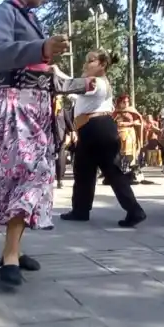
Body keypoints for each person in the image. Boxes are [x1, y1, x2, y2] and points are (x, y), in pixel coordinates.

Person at [0, 0, 70, 288]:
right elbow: (0, 53)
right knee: (31, 173)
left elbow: (45, 73)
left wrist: (82, 84)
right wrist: (43, 47)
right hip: (16, 105)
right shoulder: (3, 12)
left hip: (36, 106)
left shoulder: (29, 18)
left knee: (30, 175)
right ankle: (9, 256)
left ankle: (15, 251)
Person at [60, 50, 147, 228]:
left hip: (96, 128)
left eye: (90, 61)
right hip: (94, 128)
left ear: (102, 64)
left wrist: (55, 71)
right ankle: (81, 210)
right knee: (85, 170)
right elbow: (75, 94)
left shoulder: (95, 82)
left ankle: (133, 210)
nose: (85, 64)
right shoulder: (98, 84)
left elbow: (69, 86)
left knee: (104, 170)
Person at [112, 94, 144, 184]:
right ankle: (118, 174)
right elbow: (115, 123)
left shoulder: (132, 111)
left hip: (131, 135)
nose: (126, 103)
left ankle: (130, 174)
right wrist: (130, 123)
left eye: (127, 102)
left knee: (130, 154)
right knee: (119, 155)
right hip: (119, 134)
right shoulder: (115, 112)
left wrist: (133, 123)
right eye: (124, 102)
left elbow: (139, 121)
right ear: (119, 103)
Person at [53, 95, 74, 189]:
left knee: (59, 158)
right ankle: (58, 180)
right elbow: (69, 123)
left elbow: (69, 123)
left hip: (59, 138)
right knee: (58, 158)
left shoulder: (61, 110)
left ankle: (59, 180)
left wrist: (72, 132)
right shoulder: (53, 110)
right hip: (54, 137)